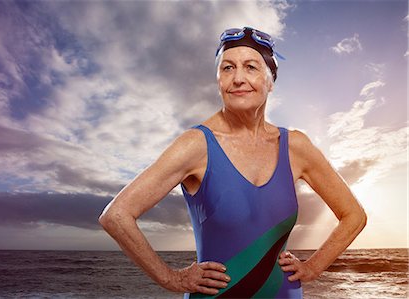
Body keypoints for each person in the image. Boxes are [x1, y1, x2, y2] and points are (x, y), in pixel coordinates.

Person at [99, 26, 367, 298]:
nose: (238, 78)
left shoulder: (295, 146)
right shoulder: (197, 145)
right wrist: (171, 278)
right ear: (218, 80)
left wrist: (312, 268)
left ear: (270, 80)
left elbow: (354, 216)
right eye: (227, 68)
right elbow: (116, 215)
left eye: (251, 67)